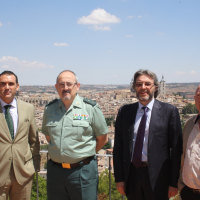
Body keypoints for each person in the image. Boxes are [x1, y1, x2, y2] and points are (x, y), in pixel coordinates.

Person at [113, 69, 182, 200]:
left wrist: (173, 183)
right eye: (139, 84)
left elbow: (176, 151)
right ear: (134, 87)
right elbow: (118, 148)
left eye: (147, 84)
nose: (143, 87)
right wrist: (120, 179)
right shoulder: (125, 112)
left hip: (159, 177)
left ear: (155, 87)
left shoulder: (169, 111)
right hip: (132, 176)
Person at [42, 70, 108, 200]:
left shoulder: (91, 108)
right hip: (55, 173)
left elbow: (102, 138)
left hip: (83, 172)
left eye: (69, 84)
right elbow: (49, 137)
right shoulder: (49, 109)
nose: (65, 88)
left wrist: (83, 155)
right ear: (56, 87)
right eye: (61, 84)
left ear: (77, 86)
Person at [0, 71, 40, 200]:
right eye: (3, 84)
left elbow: (34, 140)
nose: (7, 87)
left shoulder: (28, 108)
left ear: (17, 86)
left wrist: (35, 167)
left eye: (11, 84)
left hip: (23, 174)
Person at [178, 85, 200, 200]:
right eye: (199, 95)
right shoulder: (189, 124)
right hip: (188, 193)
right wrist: (181, 185)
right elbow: (183, 154)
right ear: (195, 99)